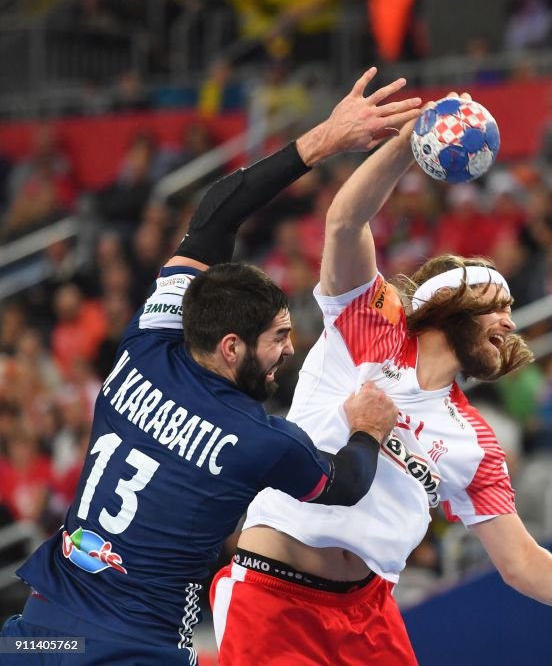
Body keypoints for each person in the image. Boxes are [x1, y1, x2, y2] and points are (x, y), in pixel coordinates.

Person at [210, 93, 552, 666]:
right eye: (498, 303)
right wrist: (410, 143)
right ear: (448, 302)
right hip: (272, 594)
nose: (510, 320)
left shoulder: (475, 440)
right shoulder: (372, 324)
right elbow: (345, 220)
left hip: (367, 612)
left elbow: (521, 562)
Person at [0, 67, 421, 666]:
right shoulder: (259, 440)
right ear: (231, 346)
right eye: (277, 337)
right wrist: (366, 429)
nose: (289, 350)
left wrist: (322, 140)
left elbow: (216, 214)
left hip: (43, 631)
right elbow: (347, 484)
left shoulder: (147, 341)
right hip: (134, 649)